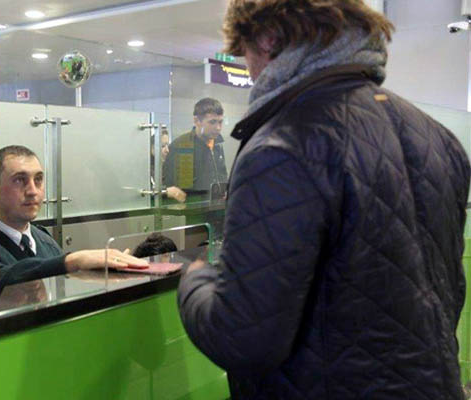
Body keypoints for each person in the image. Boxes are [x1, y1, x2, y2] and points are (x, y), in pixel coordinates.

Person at [177, 1, 471, 399]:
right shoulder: (437, 138)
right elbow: (446, 294)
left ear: (268, 38)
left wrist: (193, 276)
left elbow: (244, 338)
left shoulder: (281, 146)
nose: (248, 68)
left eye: (244, 51)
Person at [0, 145, 147, 303]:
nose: (33, 191)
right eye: (19, 180)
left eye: (38, 180)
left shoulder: (45, 241)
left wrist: (103, 272)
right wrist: (73, 261)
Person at [163, 98, 228, 194]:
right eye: (212, 122)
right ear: (197, 121)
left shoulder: (217, 143)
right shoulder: (184, 146)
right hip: (194, 202)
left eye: (220, 122)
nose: (218, 127)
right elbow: (180, 189)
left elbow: (222, 176)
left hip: (217, 201)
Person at [151, 127, 186, 203]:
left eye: (167, 146)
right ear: (152, 149)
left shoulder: (169, 168)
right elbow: (145, 193)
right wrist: (166, 192)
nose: (167, 150)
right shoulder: (146, 171)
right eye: (163, 146)